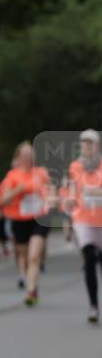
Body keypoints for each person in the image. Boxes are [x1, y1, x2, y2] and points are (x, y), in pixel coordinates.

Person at [0, 142, 52, 306]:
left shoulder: (42, 173)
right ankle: (24, 274)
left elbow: (51, 192)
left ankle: (31, 290)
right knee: (22, 254)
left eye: (31, 153)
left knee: (33, 256)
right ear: (19, 157)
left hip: (39, 218)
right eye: (25, 154)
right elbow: (3, 200)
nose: (29, 157)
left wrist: (49, 199)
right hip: (20, 220)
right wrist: (18, 190)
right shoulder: (12, 176)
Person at [61, 129, 102, 324]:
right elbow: (71, 189)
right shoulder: (75, 166)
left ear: (98, 145)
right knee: (89, 258)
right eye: (84, 143)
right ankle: (93, 305)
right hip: (83, 219)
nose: (88, 146)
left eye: (91, 142)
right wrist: (68, 203)